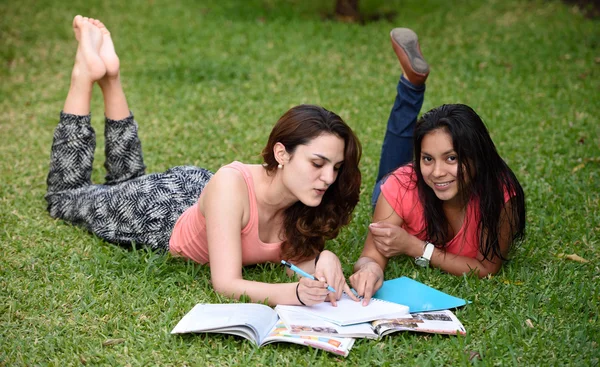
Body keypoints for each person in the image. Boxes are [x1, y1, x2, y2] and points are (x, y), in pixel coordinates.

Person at [45, 16, 362, 307]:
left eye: (335, 167)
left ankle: (111, 77)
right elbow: (225, 283)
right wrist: (291, 294)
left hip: (206, 193)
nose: (329, 178)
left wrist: (324, 259)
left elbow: (297, 259)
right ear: (282, 154)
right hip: (162, 212)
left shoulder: (302, 198)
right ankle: (84, 74)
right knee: (65, 197)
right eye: (317, 163)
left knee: (124, 181)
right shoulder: (236, 186)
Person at [350, 28, 526, 304]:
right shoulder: (402, 184)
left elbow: (487, 268)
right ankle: (411, 84)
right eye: (428, 158)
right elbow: (371, 255)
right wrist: (369, 270)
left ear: (475, 157)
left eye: (452, 158)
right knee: (394, 172)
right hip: (403, 188)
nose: (438, 171)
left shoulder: (500, 194)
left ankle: (412, 82)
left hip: (416, 193)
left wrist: (415, 247)